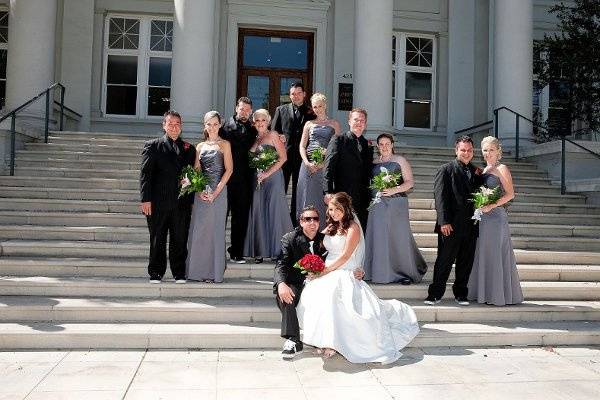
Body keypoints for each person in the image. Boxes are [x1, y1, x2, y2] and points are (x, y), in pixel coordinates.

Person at [297, 192, 420, 364]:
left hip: (344, 270)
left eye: (337, 209)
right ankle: (322, 339)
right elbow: (314, 241)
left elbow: (346, 256)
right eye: (331, 209)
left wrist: (325, 271)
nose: (333, 213)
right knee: (313, 293)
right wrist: (314, 266)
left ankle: (333, 343)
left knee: (333, 295)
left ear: (346, 209)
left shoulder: (353, 228)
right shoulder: (330, 227)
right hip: (327, 270)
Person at [140, 110, 197, 284]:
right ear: (164, 125)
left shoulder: (189, 149)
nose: (174, 127)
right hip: (158, 202)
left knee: (180, 238)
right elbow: (145, 174)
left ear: (181, 127)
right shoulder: (153, 146)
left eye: (177, 124)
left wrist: (191, 199)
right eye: (170, 124)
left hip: (181, 203)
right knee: (157, 238)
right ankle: (156, 272)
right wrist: (145, 199)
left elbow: (192, 176)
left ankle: (179, 272)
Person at [425, 135, 482, 306]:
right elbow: (440, 197)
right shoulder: (446, 169)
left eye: (469, 150)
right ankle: (435, 294)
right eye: (463, 150)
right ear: (456, 150)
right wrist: (444, 222)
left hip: (471, 225)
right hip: (450, 225)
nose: (466, 153)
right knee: (444, 260)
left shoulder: (477, 171)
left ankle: (461, 294)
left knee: (466, 261)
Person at [364, 133, 427, 284]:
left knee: (397, 238)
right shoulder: (373, 162)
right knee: (379, 237)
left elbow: (410, 182)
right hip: (377, 205)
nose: (384, 147)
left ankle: (403, 271)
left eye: (387, 143)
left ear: (392, 144)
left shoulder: (400, 160)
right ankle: (379, 271)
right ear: (378, 146)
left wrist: (394, 189)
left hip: (396, 204)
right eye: (381, 144)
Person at [468, 136, 523, 305]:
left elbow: (510, 194)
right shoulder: (483, 171)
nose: (488, 153)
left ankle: (497, 295)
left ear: (498, 151)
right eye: (485, 150)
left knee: (495, 254)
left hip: (496, 218)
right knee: (484, 254)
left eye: (491, 150)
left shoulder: (502, 168)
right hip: (483, 219)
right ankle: (484, 293)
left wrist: (491, 205)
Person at [186, 111, 233, 283]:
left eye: (215, 124)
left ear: (220, 125)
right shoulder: (199, 147)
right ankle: (197, 272)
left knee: (215, 231)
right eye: (209, 124)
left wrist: (215, 192)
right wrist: (199, 190)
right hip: (202, 193)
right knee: (200, 231)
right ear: (204, 126)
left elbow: (229, 170)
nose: (212, 127)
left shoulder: (225, 144)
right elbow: (196, 170)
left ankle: (214, 272)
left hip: (218, 192)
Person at [274, 206, 327, 359]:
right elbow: (281, 264)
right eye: (307, 219)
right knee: (286, 295)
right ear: (301, 222)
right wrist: (281, 284)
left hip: (320, 283)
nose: (312, 222)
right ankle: (293, 339)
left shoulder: (325, 240)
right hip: (296, 282)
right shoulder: (290, 238)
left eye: (315, 219)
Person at [244, 109, 294, 262]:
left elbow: (283, 158)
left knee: (274, 211)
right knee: (259, 211)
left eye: (263, 120)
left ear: (268, 121)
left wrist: (267, 173)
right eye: (257, 120)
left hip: (273, 178)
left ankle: (278, 250)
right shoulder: (253, 138)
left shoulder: (273, 135)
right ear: (254, 123)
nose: (260, 123)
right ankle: (260, 250)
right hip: (258, 179)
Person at [271, 82, 316, 225]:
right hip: (283, 157)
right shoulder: (281, 109)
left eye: (298, 93)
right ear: (289, 95)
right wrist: (279, 136)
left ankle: (296, 222)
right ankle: (279, 219)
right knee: (280, 190)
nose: (295, 96)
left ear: (304, 94)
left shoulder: (311, 113)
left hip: (303, 159)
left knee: (299, 192)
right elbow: (273, 132)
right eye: (292, 94)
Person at [220, 97, 257, 264]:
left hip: (245, 180)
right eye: (242, 109)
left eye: (247, 110)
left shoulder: (253, 129)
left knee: (240, 217)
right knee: (220, 216)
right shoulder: (223, 128)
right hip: (225, 179)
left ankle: (236, 251)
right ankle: (216, 251)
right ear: (236, 108)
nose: (244, 112)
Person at [323, 108, 373, 230]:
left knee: (361, 231)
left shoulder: (367, 144)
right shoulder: (339, 140)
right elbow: (328, 167)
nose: (359, 123)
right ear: (349, 121)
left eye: (362, 120)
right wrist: (328, 192)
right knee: (342, 230)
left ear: (365, 124)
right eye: (356, 119)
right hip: (342, 195)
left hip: (362, 199)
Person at [296, 93, 340, 228]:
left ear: (325, 106)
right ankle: (305, 229)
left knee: (322, 200)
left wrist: (323, 163)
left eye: (320, 106)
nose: (317, 109)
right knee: (306, 198)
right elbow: (302, 146)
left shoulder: (334, 124)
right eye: (315, 106)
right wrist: (307, 162)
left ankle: (323, 231)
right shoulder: (309, 124)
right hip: (307, 167)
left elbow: (337, 148)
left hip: (325, 167)